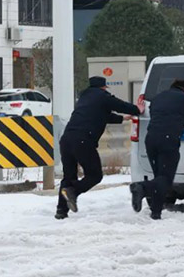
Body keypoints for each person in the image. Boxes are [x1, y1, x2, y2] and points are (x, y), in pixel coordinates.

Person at [56, 76, 141, 220]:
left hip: (66, 139)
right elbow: (121, 105)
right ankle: (73, 192)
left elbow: (100, 115)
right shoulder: (103, 97)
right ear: (103, 87)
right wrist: (137, 109)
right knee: (94, 175)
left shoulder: (84, 98)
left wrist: (122, 119)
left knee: (69, 176)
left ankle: (61, 211)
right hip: (83, 140)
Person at [130, 79, 184, 220]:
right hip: (168, 141)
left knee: (160, 179)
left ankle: (156, 213)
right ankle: (142, 188)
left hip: (150, 140)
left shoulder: (157, 98)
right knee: (166, 180)